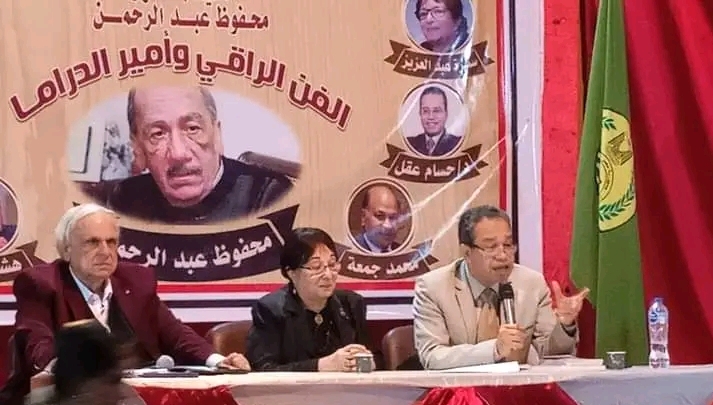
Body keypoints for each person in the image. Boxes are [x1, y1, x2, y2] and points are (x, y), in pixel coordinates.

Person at [12, 204, 250, 387]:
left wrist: (218, 361)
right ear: (66, 250)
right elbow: (38, 348)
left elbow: (175, 334)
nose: (105, 252)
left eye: (111, 242)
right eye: (92, 242)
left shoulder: (136, 281)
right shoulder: (41, 284)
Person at [413, 205, 589, 369]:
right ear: (467, 253)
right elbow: (432, 356)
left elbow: (550, 353)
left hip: (519, 389)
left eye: (507, 245)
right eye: (491, 247)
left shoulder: (531, 284)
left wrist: (564, 324)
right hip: (461, 390)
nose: (503, 255)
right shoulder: (434, 287)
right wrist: (495, 349)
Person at [107, 86, 292, 223]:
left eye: (192, 129)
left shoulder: (268, 196)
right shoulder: (126, 199)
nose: (178, 154)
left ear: (217, 134)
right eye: (158, 134)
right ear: (138, 147)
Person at [246, 227, 376, 371]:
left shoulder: (351, 304)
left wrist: (367, 363)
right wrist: (321, 365)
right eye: (316, 267)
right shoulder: (270, 309)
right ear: (291, 272)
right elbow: (264, 369)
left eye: (332, 264)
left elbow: (377, 359)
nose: (328, 275)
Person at [405, 86, 461, 157]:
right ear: (420, 113)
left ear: (446, 114)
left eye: (436, 111)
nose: (431, 117)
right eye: (425, 111)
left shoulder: (457, 144)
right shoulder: (409, 144)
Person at [354, 184, 405, 254]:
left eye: (393, 217)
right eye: (380, 216)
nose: (388, 226)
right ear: (363, 217)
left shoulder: (405, 254)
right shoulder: (349, 252)